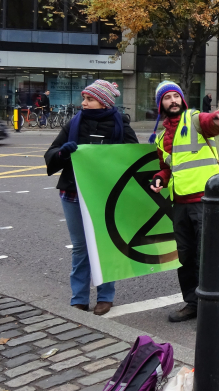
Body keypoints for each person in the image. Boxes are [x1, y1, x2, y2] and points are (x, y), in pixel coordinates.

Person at [44, 80, 138, 316]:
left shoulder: (121, 125)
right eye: (84, 99)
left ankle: (105, 297)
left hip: (106, 197)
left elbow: (133, 161)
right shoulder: (73, 123)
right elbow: (51, 154)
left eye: (89, 99)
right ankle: (79, 298)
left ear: (104, 102)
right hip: (73, 194)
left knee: (105, 246)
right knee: (80, 248)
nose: (83, 103)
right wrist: (63, 152)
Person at [148, 81, 219, 323]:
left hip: (205, 200)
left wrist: (217, 118)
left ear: (182, 100)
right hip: (180, 203)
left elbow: (211, 121)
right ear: (160, 104)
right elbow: (167, 168)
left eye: (176, 96)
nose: (172, 101)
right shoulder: (161, 138)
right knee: (185, 257)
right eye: (166, 98)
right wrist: (159, 179)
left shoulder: (193, 118)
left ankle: (215, 303)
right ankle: (193, 303)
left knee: (207, 255)